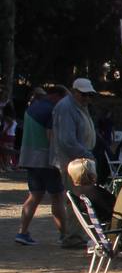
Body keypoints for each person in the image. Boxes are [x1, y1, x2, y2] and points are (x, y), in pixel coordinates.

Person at [15, 87, 68, 245]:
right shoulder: (51, 110)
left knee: (35, 195)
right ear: (56, 96)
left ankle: (22, 232)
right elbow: (51, 136)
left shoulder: (32, 108)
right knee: (58, 196)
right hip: (46, 160)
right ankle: (65, 235)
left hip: (30, 158)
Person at [50, 78, 99, 248]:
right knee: (75, 198)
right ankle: (73, 237)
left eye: (89, 95)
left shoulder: (80, 106)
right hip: (72, 161)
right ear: (74, 91)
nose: (87, 98)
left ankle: (77, 234)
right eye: (84, 94)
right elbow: (67, 141)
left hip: (80, 158)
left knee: (80, 197)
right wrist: (86, 154)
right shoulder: (66, 108)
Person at [67, 157, 114, 225]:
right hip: (112, 224)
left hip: (96, 225)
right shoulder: (97, 192)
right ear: (92, 175)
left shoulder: (76, 193)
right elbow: (115, 207)